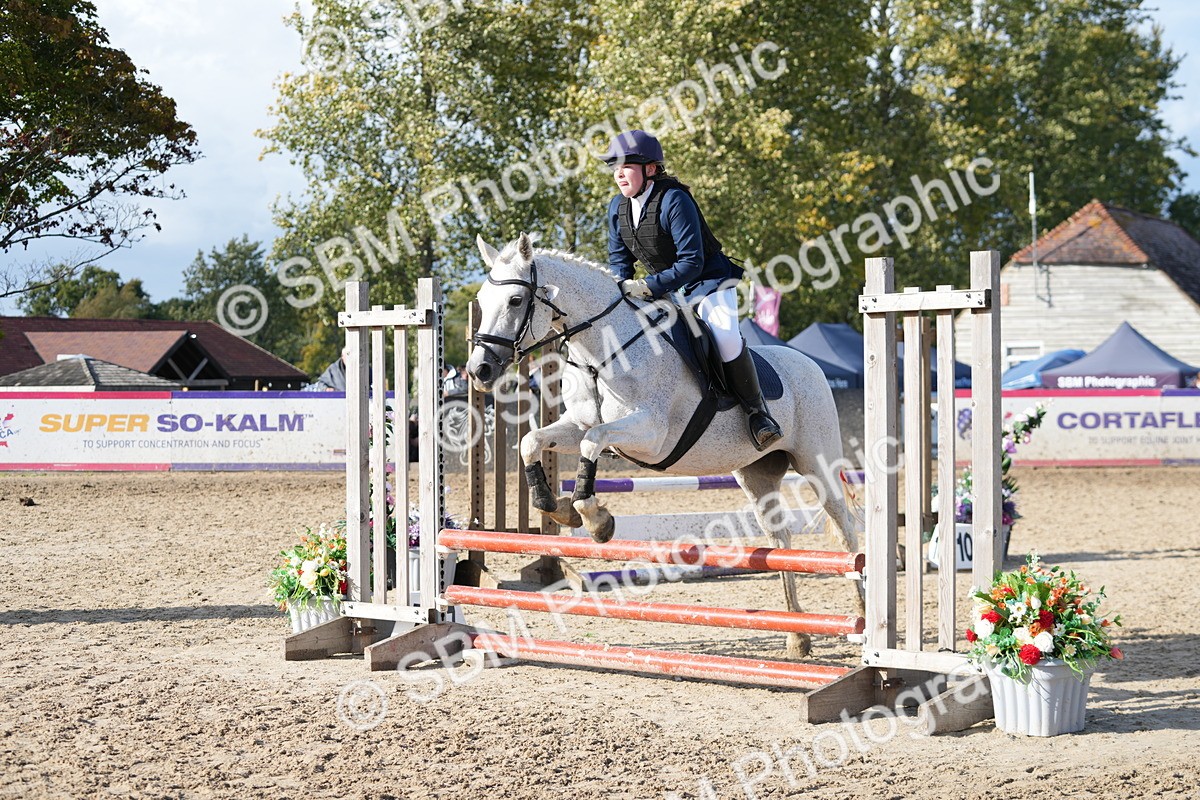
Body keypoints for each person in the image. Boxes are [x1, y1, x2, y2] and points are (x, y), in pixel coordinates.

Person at [603, 129, 782, 450]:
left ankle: (758, 413)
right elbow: (620, 263)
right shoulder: (617, 208)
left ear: (651, 169)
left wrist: (647, 286)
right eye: (615, 166)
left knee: (725, 335)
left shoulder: (674, 199)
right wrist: (620, 293)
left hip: (706, 282)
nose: (619, 172)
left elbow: (691, 262)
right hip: (663, 290)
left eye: (627, 165)